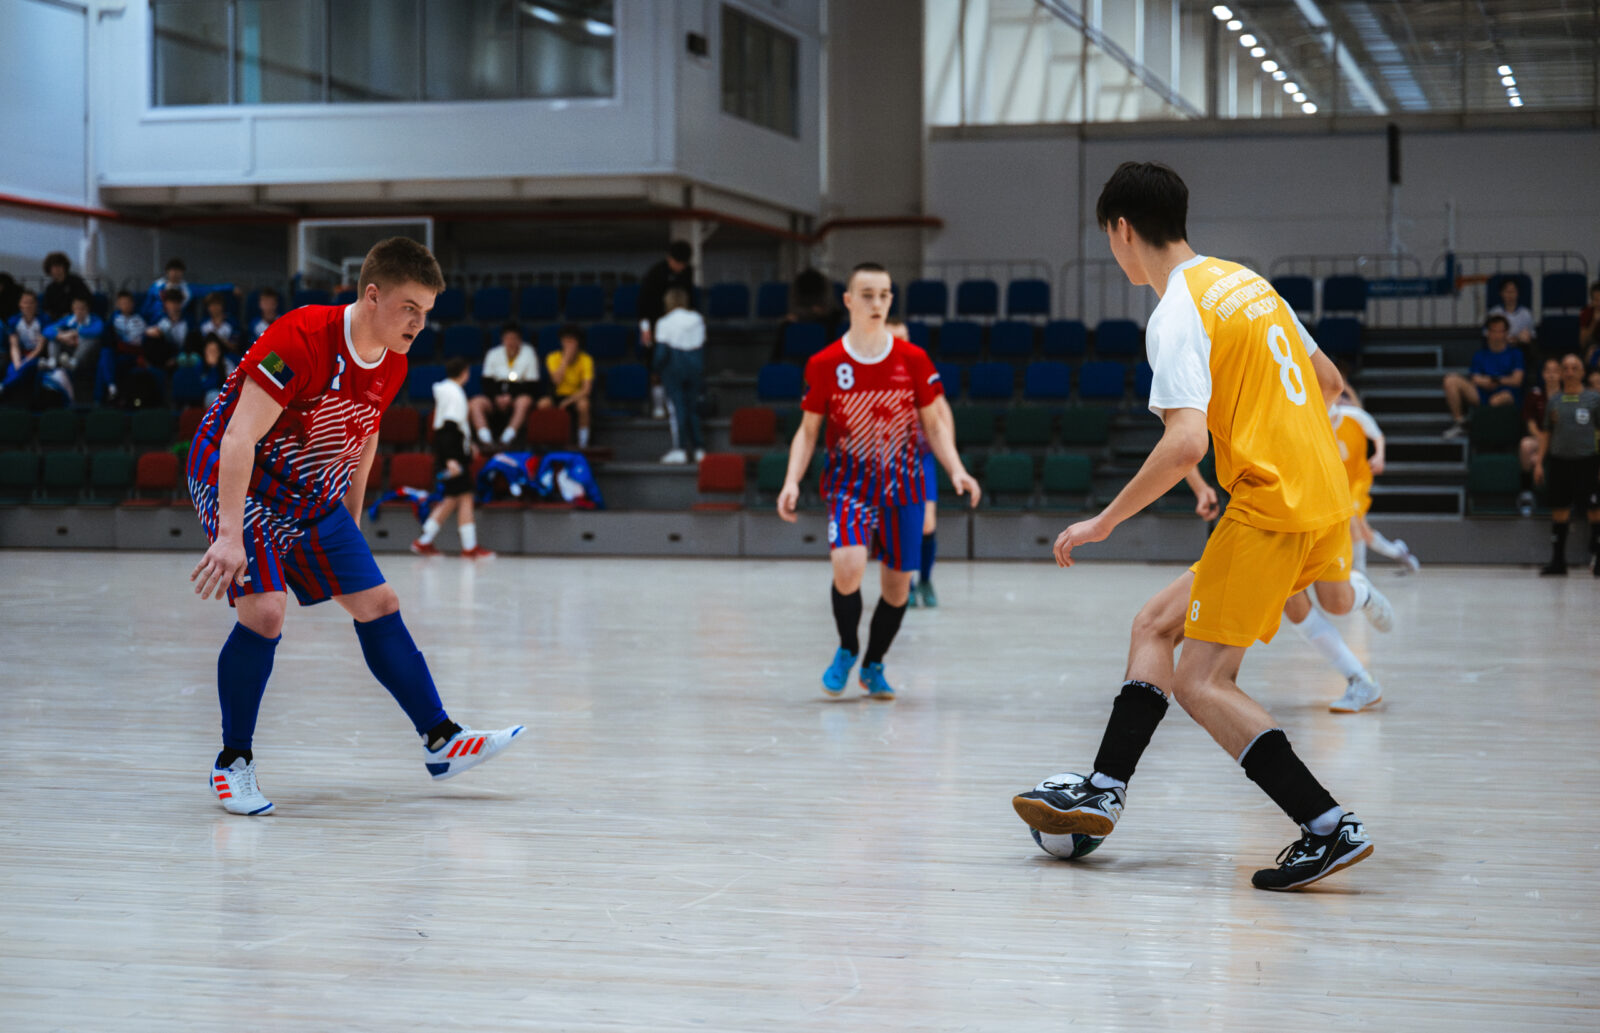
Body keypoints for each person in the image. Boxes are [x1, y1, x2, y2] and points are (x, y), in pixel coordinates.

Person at [1011, 162, 1384, 891]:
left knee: (1203, 680)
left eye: (1108, 237)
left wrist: (1104, 521)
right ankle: (1104, 788)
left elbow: (1185, 444)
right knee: (1155, 624)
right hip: (1323, 499)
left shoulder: (1177, 310)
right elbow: (1330, 382)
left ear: (1122, 229)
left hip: (1270, 505)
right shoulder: (1247, 282)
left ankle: (1326, 825)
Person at [187, 237, 524, 816]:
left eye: (426, 312)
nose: (418, 323)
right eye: (409, 308)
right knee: (265, 612)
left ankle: (442, 740)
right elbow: (239, 437)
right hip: (242, 476)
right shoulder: (298, 339)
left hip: (310, 486)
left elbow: (363, 442)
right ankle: (232, 763)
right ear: (372, 296)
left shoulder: (394, 360)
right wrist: (229, 534)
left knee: (379, 602)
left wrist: (351, 525)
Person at [777, 263, 980, 700]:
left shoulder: (913, 359)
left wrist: (956, 468)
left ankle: (873, 664)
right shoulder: (825, 363)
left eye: (885, 294)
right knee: (847, 565)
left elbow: (934, 424)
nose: (877, 303)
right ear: (848, 300)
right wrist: (792, 480)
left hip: (905, 487)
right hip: (849, 485)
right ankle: (847, 648)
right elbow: (808, 432)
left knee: (897, 587)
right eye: (867, 294)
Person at [885, 316, 950, 608]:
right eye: (894, 339)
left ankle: (924, 580)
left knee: (926, 524)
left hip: (919, 456)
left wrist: (949, 455)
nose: (900, 344)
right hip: (887, 461)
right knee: (901, 527)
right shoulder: (871, 372)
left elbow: (942, 411)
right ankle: (906, 585)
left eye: (904, 337)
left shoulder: (920, 368)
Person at [1330, 387, 1419, 573]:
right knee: (1363, 531)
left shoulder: (1354, 416)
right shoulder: (1318, 423)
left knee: (1353, 522)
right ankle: (1397, 552)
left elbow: (1378, 436)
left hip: (1359, 479)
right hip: (1338, 484)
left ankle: (1360, 573)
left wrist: (1379, 456)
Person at [414, 357, 494, 559]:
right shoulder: (455, 393)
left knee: (451, 499)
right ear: (465, 373)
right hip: (453, 456)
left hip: (453, 453)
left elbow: (452, 428)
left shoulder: (448, 391)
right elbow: (448, 429)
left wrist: (468, 445)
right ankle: (469, 547)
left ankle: (424, 541)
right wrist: (452, 459)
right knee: (465, 496)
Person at [1532, 353, 1600, 577]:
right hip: (1560, 462)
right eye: (1566, 368)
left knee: (1595, 510)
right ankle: (1558, 562)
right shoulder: (1554, 401)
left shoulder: (1594, 399)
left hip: (1588, 462)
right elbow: (1546, 433)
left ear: (1582, 372)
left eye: (1574, 367)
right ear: (1561, 373)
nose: (1570, 372)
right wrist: (1539, 462)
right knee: (1559, 510)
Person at [638, 240, 694, 419]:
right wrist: (645, 328)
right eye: (678, 263)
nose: (680, 267)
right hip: (656, 325)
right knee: (656, 365)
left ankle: (676, 402)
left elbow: (691, 300)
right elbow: (643, 304)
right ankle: (658, 405)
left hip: (679, 326)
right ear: (670, 259)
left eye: (683, 264)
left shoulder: (687, 272)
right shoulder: (655, 274)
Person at [1443, 314, 1523, 438]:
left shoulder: (1515, 353)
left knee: (1496, 400)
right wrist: (1484, 382)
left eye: (1500, 331)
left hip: (1507, 393)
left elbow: (1517, 380)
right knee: (1450, 380)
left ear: (1506, 333)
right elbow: (1474, 377)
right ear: (1488, 333)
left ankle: (1490, 434)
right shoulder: (1480, 355)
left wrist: (1497, 381)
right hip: (1483, 392)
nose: (1497, 335)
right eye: (1493, 331)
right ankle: (1461, 423)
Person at [654, 287, 707, 464]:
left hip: (674, 366)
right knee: (693, 408)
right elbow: (701, 346)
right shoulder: (697, 319)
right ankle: (699, 449)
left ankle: (680, 449)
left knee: (678, 409)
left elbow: (661, 352)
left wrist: (656, 368)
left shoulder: (664, 322)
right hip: (695, 365)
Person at [471, 323, 545, 449]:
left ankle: (506, 439)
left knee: (524, 401)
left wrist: (511, 396)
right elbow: (487, 382)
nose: (510, 342)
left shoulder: (529, 353)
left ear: (519, 340)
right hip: (495, 395)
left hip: (518, 395)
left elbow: (532, 384)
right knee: (475, 403)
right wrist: (497, 397)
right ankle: (486, 440)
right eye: (507, 338)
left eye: (514, 338)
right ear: (503, 339)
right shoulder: (493, 353)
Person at [1518, 358, 1561, 512]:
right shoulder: (1534, 394)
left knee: (1537, 458)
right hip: (1541, 438)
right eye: (1548, 371)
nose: (1551, 375)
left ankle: (1567, 497)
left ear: (1561, 374)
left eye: (1555, 371)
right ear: (1543, 374)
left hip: (1561, 439)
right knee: (1525, 445)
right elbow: (1530, 425)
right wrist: (1542, 439)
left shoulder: (1568, 396)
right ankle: (1526, 492)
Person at [44, 295, 105, 400]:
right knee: (54, 337)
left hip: (87, 357)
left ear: (87, 309)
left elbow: (98, 330)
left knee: (91, 340)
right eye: (77, 308)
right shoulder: (68, 319)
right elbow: (47, 330)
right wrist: (62, 336)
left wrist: (75, 333)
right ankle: (53, 361)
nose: (79, 311)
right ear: (73, 309)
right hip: (69, 352)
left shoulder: (95, 319)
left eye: (82, 308)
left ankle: (73, 362)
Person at [546, 324, 594, 449]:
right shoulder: (552, 357)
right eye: (565, 341)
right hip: (557, 394)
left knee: (584, 405)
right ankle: (547, 441)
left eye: (572, 341)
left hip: (576, 396)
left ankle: (583, 443)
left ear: (578, 342)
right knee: (542, 404)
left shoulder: (586, 359)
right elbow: (556, 381)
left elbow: (586, 389)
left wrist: (568, 401)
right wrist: (565, 360)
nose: (568, 345)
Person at [99, 289, 149, 404]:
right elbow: (106, 335)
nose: (125, 306)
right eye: (122, 303)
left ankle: (107, 394)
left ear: (133, 304)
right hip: (118, 352)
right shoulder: (114, 318)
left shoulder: (140, 319)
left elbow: (142, 340)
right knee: (105, 354)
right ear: (118, 304)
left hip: (133, 354)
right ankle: (111, 388)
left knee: (104, 364)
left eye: (127, 303)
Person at [144, 288, 193, 370]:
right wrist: (148, 332)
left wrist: (176, 358)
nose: (173, 306)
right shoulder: (160, 319)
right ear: (166, 304)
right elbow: (148, 334)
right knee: (152, 337)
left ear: (180, 304)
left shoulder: (188, 321)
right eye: (170, 303)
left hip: (182, 355)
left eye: (176, 303)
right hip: (164, 354)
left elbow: (190, 344)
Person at [40, 252, 91, 322]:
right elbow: (47, 308)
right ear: (49, 270)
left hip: (77, 318)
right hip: (58, 321)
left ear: (65, 267)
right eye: (54, 267)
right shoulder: (50, 288)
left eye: (59, 266)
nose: (57, 269)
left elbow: (86, 300)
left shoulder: (76, 282)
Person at [7, 289, 47, 373]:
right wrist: (17, 363)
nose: (28, 306)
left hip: (37, 356)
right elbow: (14, 345)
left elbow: (40, 347)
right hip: (20, 354)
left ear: (36, 304)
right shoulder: (13, 320)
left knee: (25, 369)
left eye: (31, 303)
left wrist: (25, 362)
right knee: (12, 369)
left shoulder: (43, 319)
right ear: (20, 304)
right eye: (25, 302)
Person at [1487, 278, 1535, 346]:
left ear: (1518, 293)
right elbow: (1486, 334)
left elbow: (1531, 336)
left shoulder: (1526, 313)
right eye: (1507, 291)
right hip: (1499, 347)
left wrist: (1521, 339)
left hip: (1520, 347)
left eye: (1513, 291)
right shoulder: (1494, 312)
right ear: (1501, 293)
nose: (1510, 295)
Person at [196, 333, 236, 408]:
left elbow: (232, 386)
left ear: (219, 352)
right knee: (211, 395)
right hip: (205, 399)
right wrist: (212, 368)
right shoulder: (199, 365)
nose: (212, 354)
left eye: (215, 351)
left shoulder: (226, 363)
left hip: (223, 398)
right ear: (204, 351)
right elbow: (200, 387)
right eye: (209, 351)